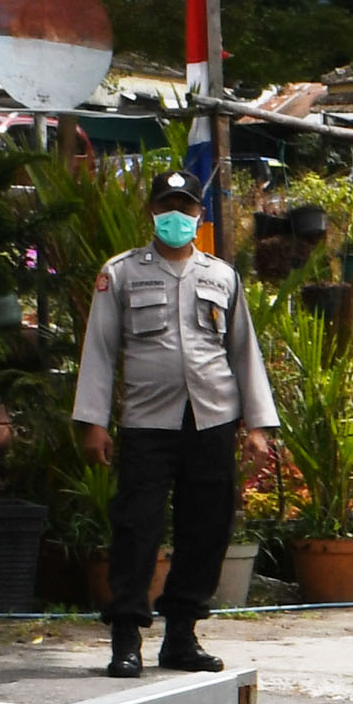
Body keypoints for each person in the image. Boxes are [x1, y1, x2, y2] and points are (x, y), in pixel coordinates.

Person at [74, 166, 276, 677]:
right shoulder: (121, 273)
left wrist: (257, 425)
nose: (177, 217)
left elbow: (243, 350)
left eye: (186, 209)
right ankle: (126, 637)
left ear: (198, 215)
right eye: (167, 207)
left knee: (205, 529)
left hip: (211, 418)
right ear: (152, 213)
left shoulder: (220, 275)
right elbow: (98, 351)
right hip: (147, 420)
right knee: (136, 528)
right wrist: (92, 421)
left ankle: (182, 635)